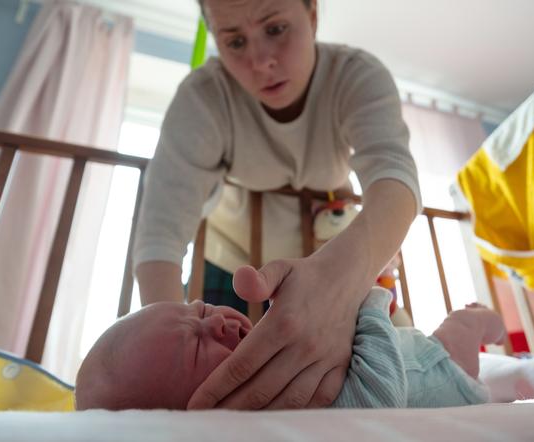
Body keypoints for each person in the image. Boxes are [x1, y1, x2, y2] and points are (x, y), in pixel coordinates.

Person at [132, 0, 421, 410]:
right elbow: (160, 233)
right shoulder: (203, 98)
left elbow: (395, 177)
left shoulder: (356, 75)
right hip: (233, 263)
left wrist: (342, 283)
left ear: (313, 15)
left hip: (336, 252)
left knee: (403, 366)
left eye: (275, 29)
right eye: (233, 41)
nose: (260, 61)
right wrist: (169, 354)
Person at [75, 282, 506, 411]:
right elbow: (378, 397)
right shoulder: (279, 406)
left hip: (412, 351)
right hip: (443, 373)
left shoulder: (275, 362)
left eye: (203, 310)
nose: (219, 323)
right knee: (461, 326)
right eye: (194, 348)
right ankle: (480, 320)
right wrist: (370, 305)